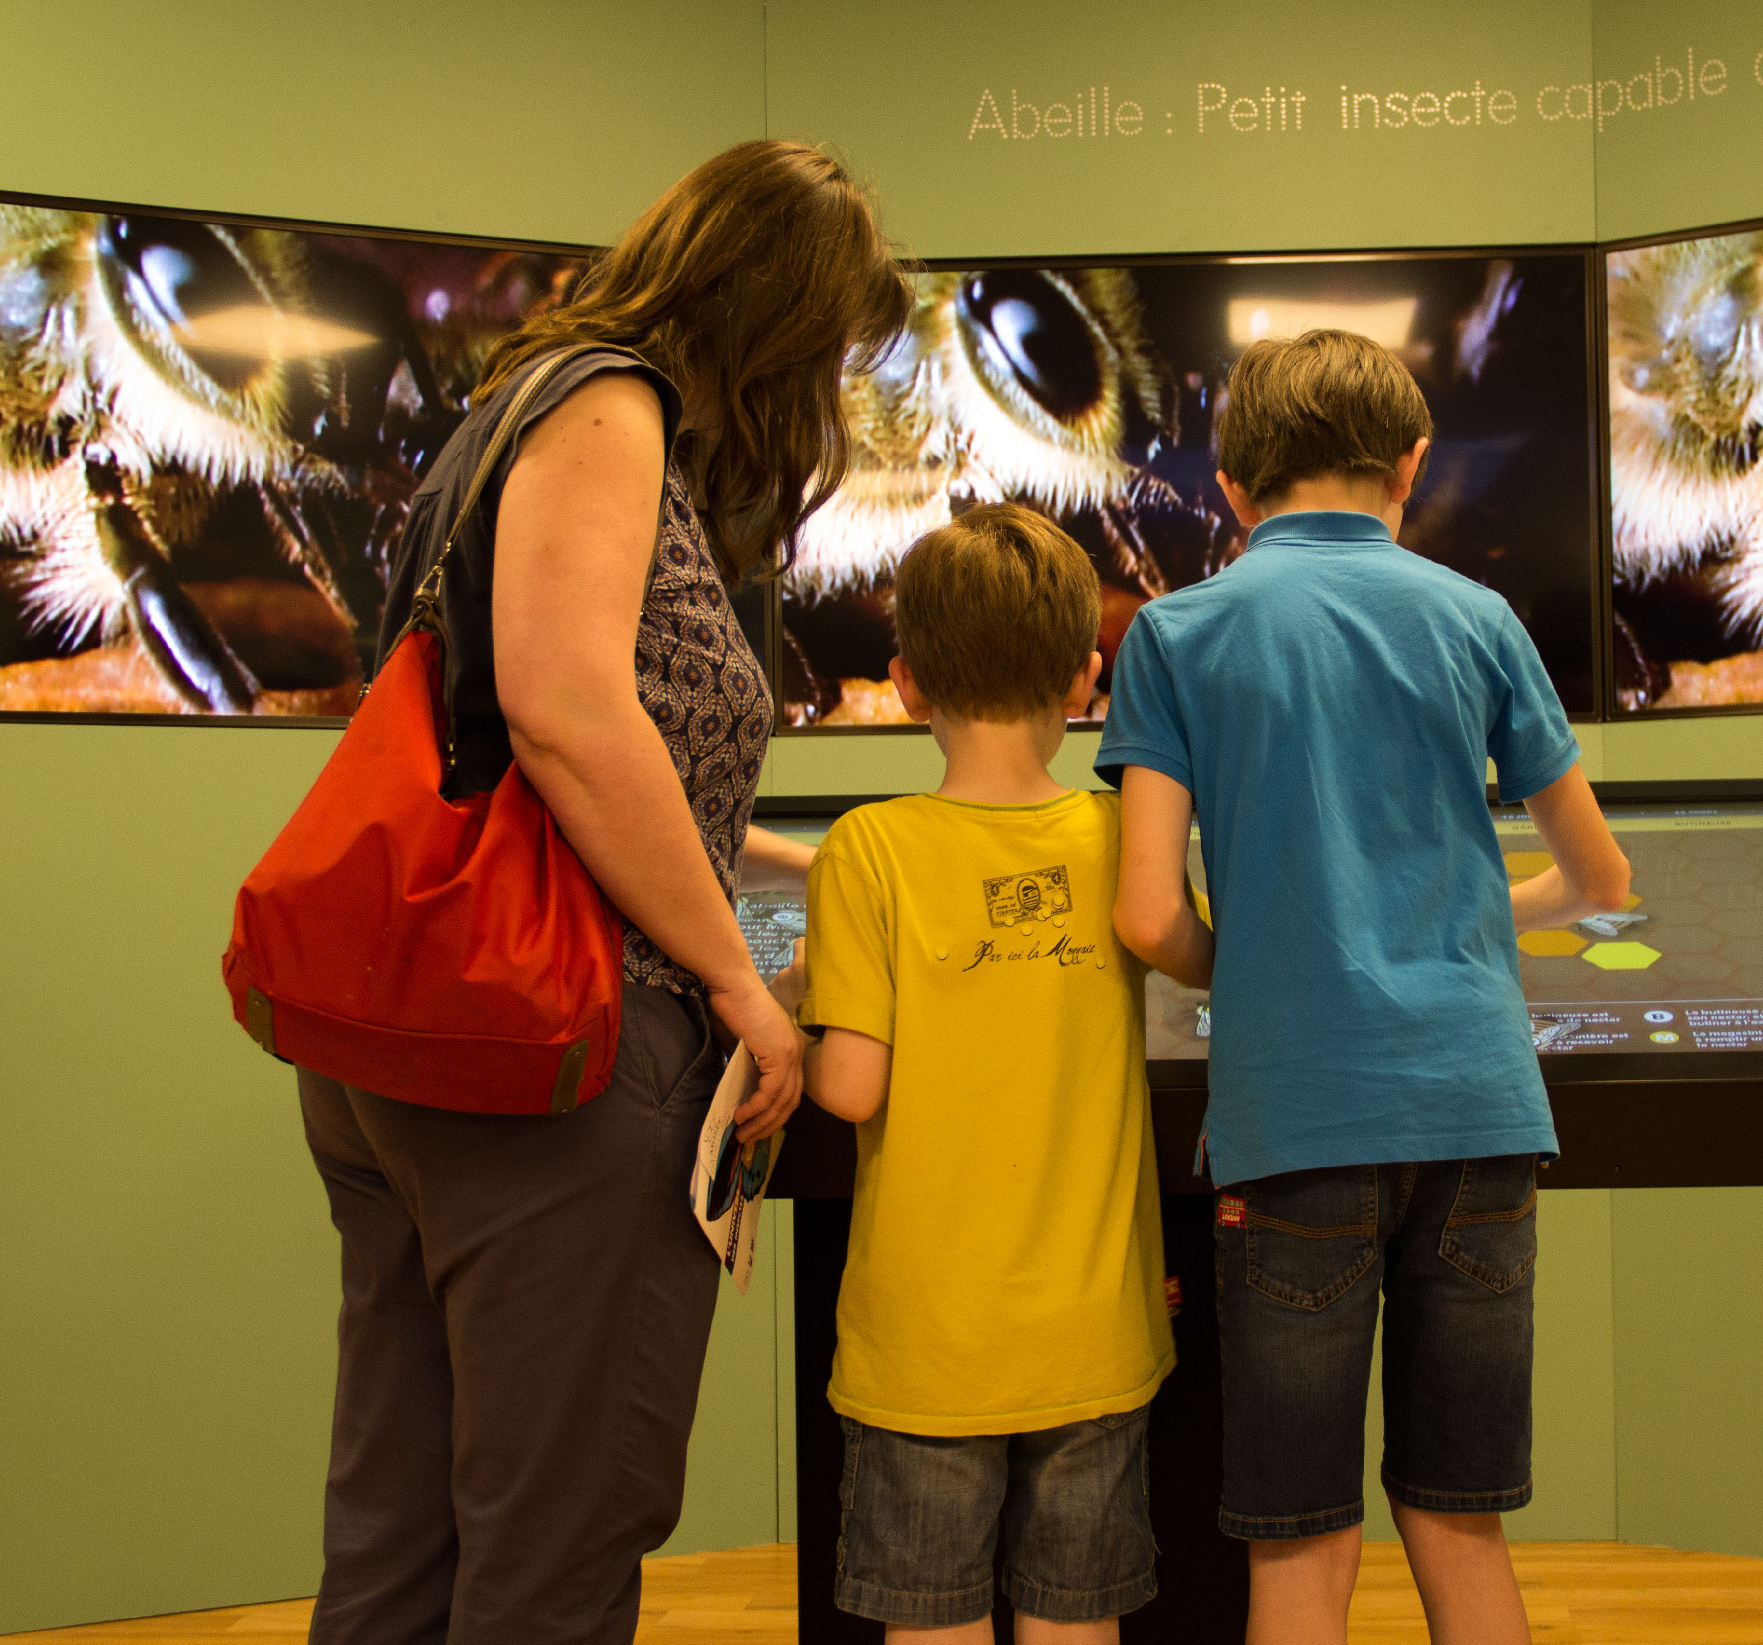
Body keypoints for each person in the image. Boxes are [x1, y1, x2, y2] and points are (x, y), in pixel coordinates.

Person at [294, 140, 909, 1645]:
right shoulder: (610, 401)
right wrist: (739, 981)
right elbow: (568, 708)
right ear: (774, 310)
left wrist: (801, 858)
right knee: (556, 1549)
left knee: (405, 1526)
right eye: (825, 344)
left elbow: (529, 749)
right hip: (555, 1057)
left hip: (411, 1040)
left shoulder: (518, 405)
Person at [1099, 329, 1630, 1645]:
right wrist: (1458, 924)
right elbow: (1599, 874)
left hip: (1298, 1125)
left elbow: (1149, 912)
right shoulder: (1479, 617)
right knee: (1459, 1523)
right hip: (1482, 1114)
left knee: (1301, 1546)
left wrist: (1279, 955)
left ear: (1232, 488)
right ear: (1413, 466)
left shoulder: (1176, 632)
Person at [787, 504, 1188, 1644]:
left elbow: (852, 1088)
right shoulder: (1121, 836)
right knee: (1077, 1626)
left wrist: (793, 1012)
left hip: (926, 1346)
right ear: (1085, 673)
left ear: (906, 683)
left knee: (934, 1625)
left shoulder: (867, 850)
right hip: (1092, 1336)